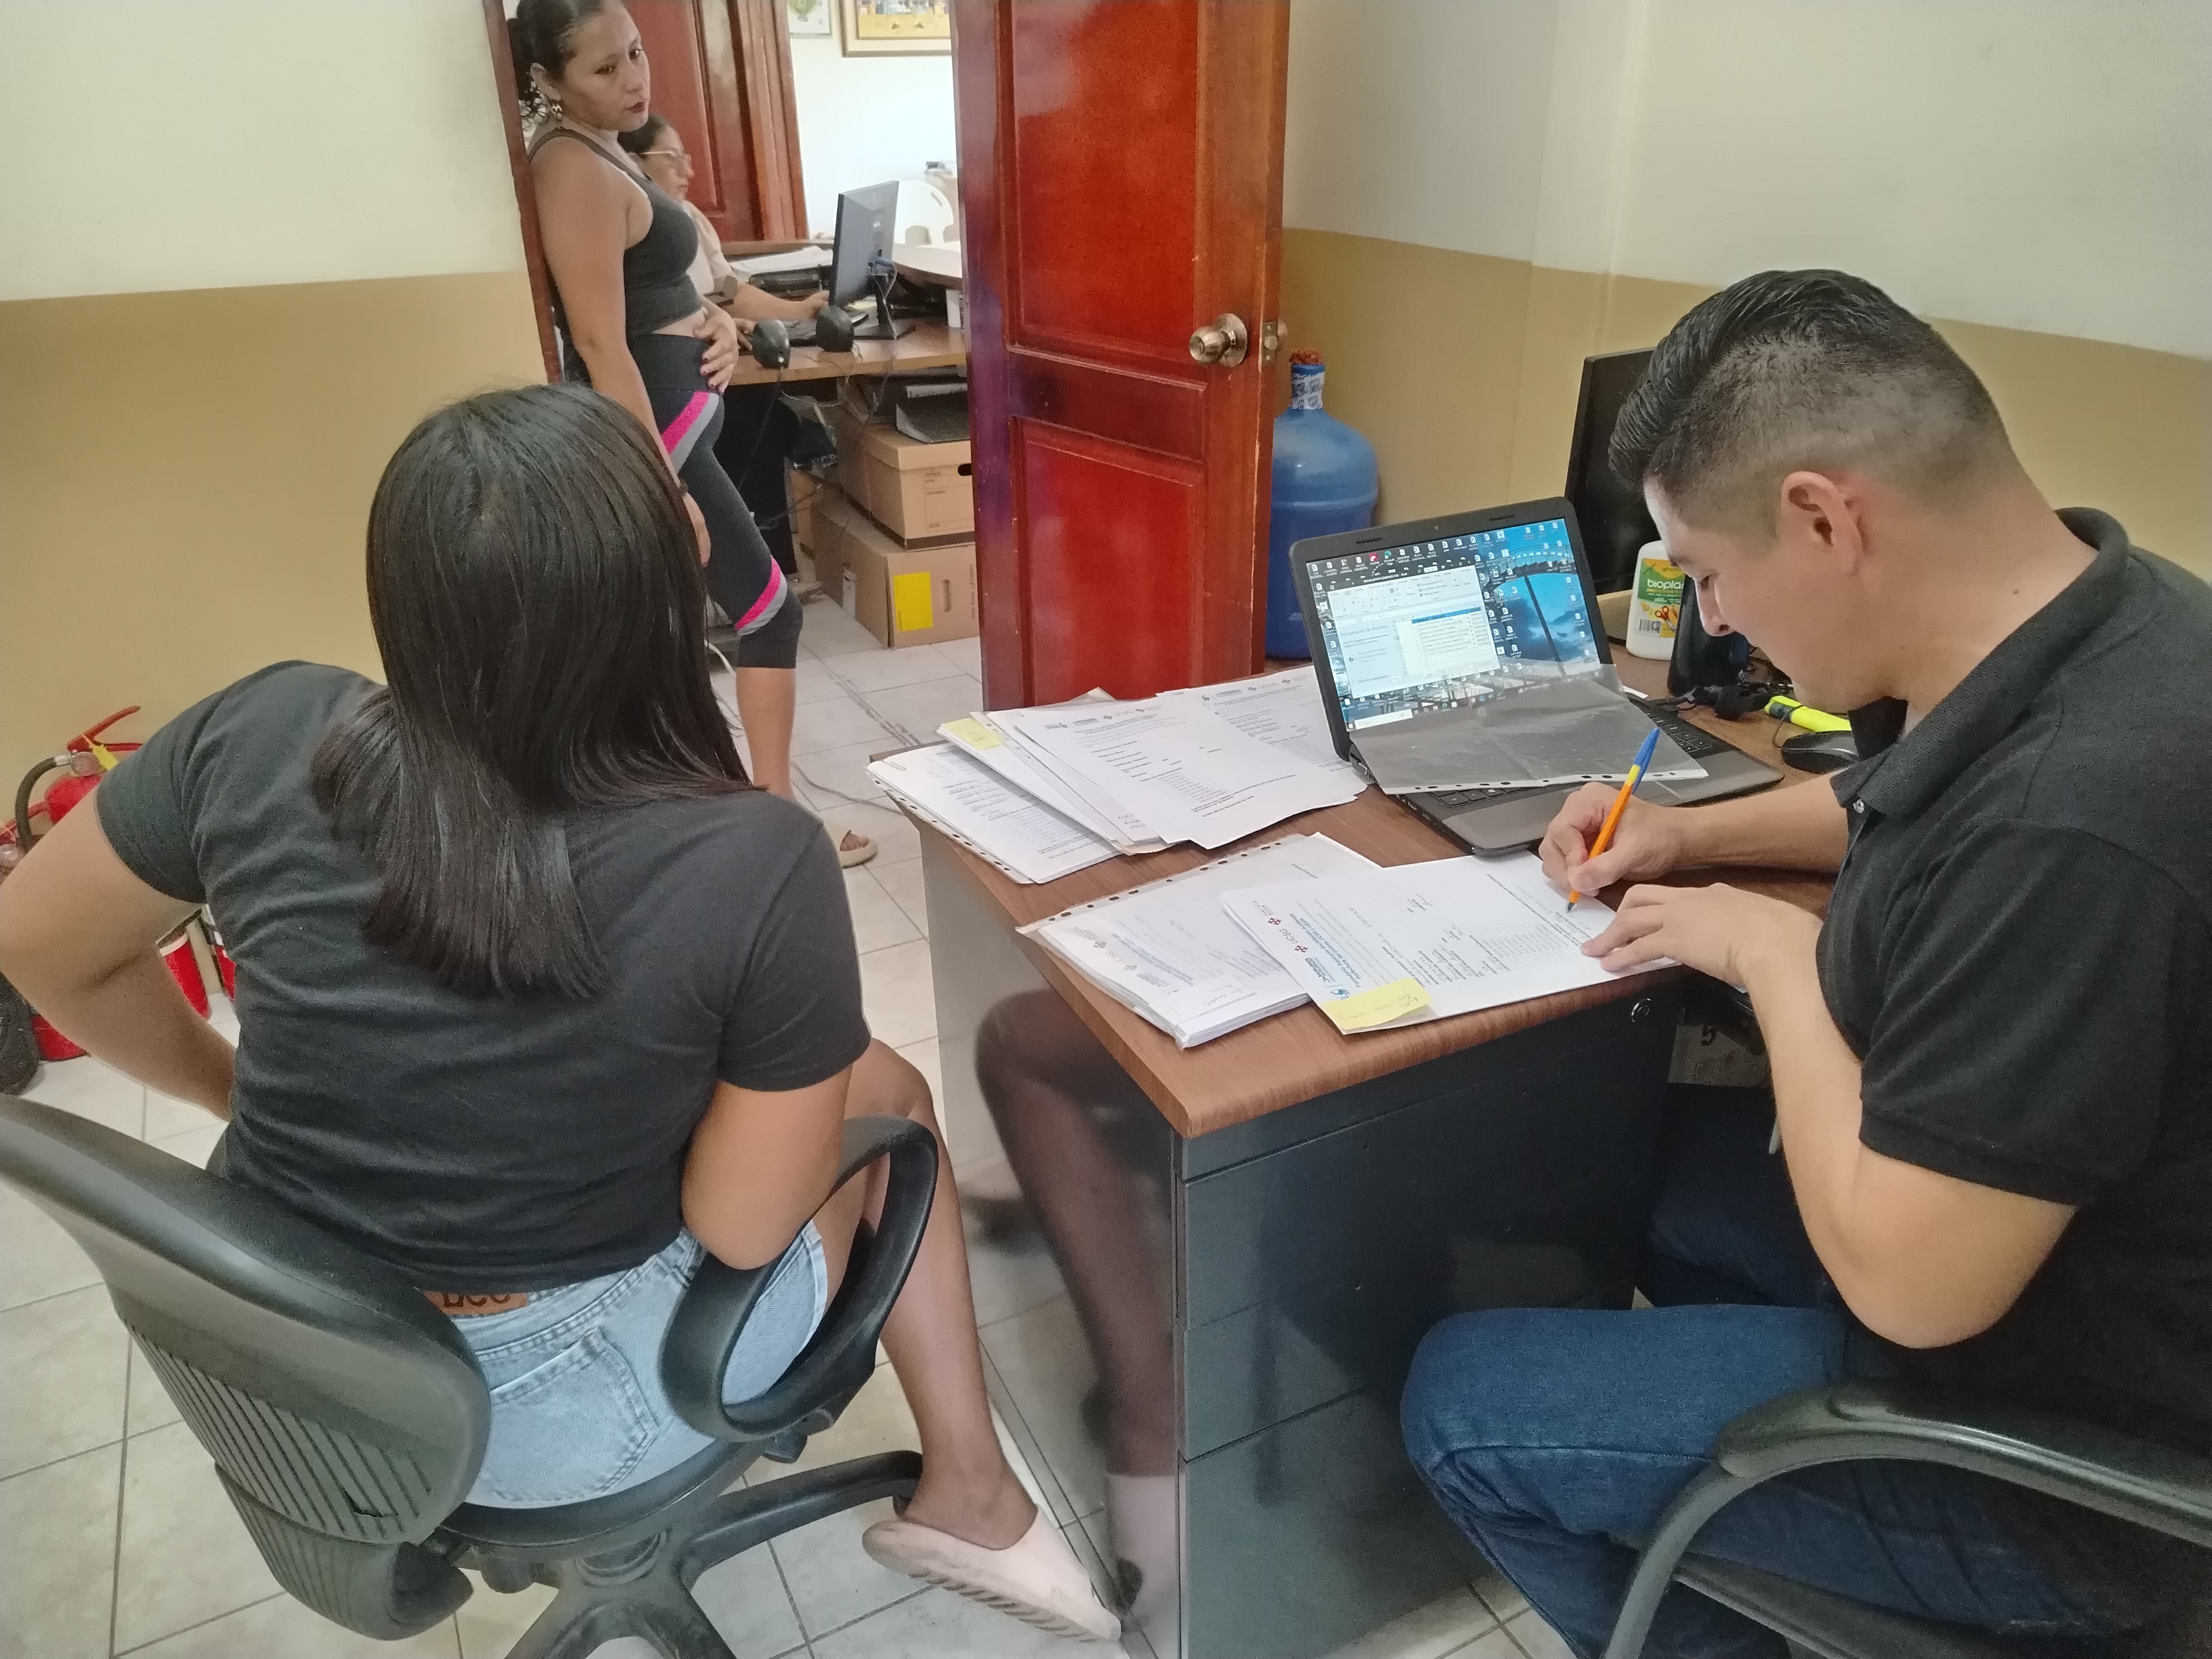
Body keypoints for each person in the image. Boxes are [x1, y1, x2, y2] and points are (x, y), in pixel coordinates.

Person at [0, 385, 1116, 1645]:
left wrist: (229, 1087)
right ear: (660, 593)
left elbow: (35, 939)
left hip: (305, 1370)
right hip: (550, 1412)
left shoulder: (257, 729)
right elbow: (741, 1225)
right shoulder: (749, 857)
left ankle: (966, 1488)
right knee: (887, 1092)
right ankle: (970, 1495)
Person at [1400, 270, 2212, 1657]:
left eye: (1709, 574)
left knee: (1460, 1405)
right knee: (1626, 1171)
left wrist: (1775, 958)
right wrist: (1687, 831)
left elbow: (1914, 1289)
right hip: (2089, 1268)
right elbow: (1910, 807)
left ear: (1825, 518)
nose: (1715, 621)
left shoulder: (2068, 837)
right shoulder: (2110, 620)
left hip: (2064, 1464)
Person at [509, 0, 871, 866]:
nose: (635, 79)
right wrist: (661, 486)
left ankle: (730, 822)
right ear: (547, 79)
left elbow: (653, 295)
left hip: (680, 427)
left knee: (692, 636)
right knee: (766, 612)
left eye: (635, 54)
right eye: (606, 68)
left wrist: (717, 321)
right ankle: (771, 826)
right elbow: (599, 341)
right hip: (658, 443)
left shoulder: (603, 149)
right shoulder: (571, 166)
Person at [616, 114, 826, 321]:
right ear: (633, 163)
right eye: (672, 158)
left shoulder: (691, 215)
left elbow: (730, 292)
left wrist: (801, 310)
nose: (689, 172)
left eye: (685, 159)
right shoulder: (623, 233)